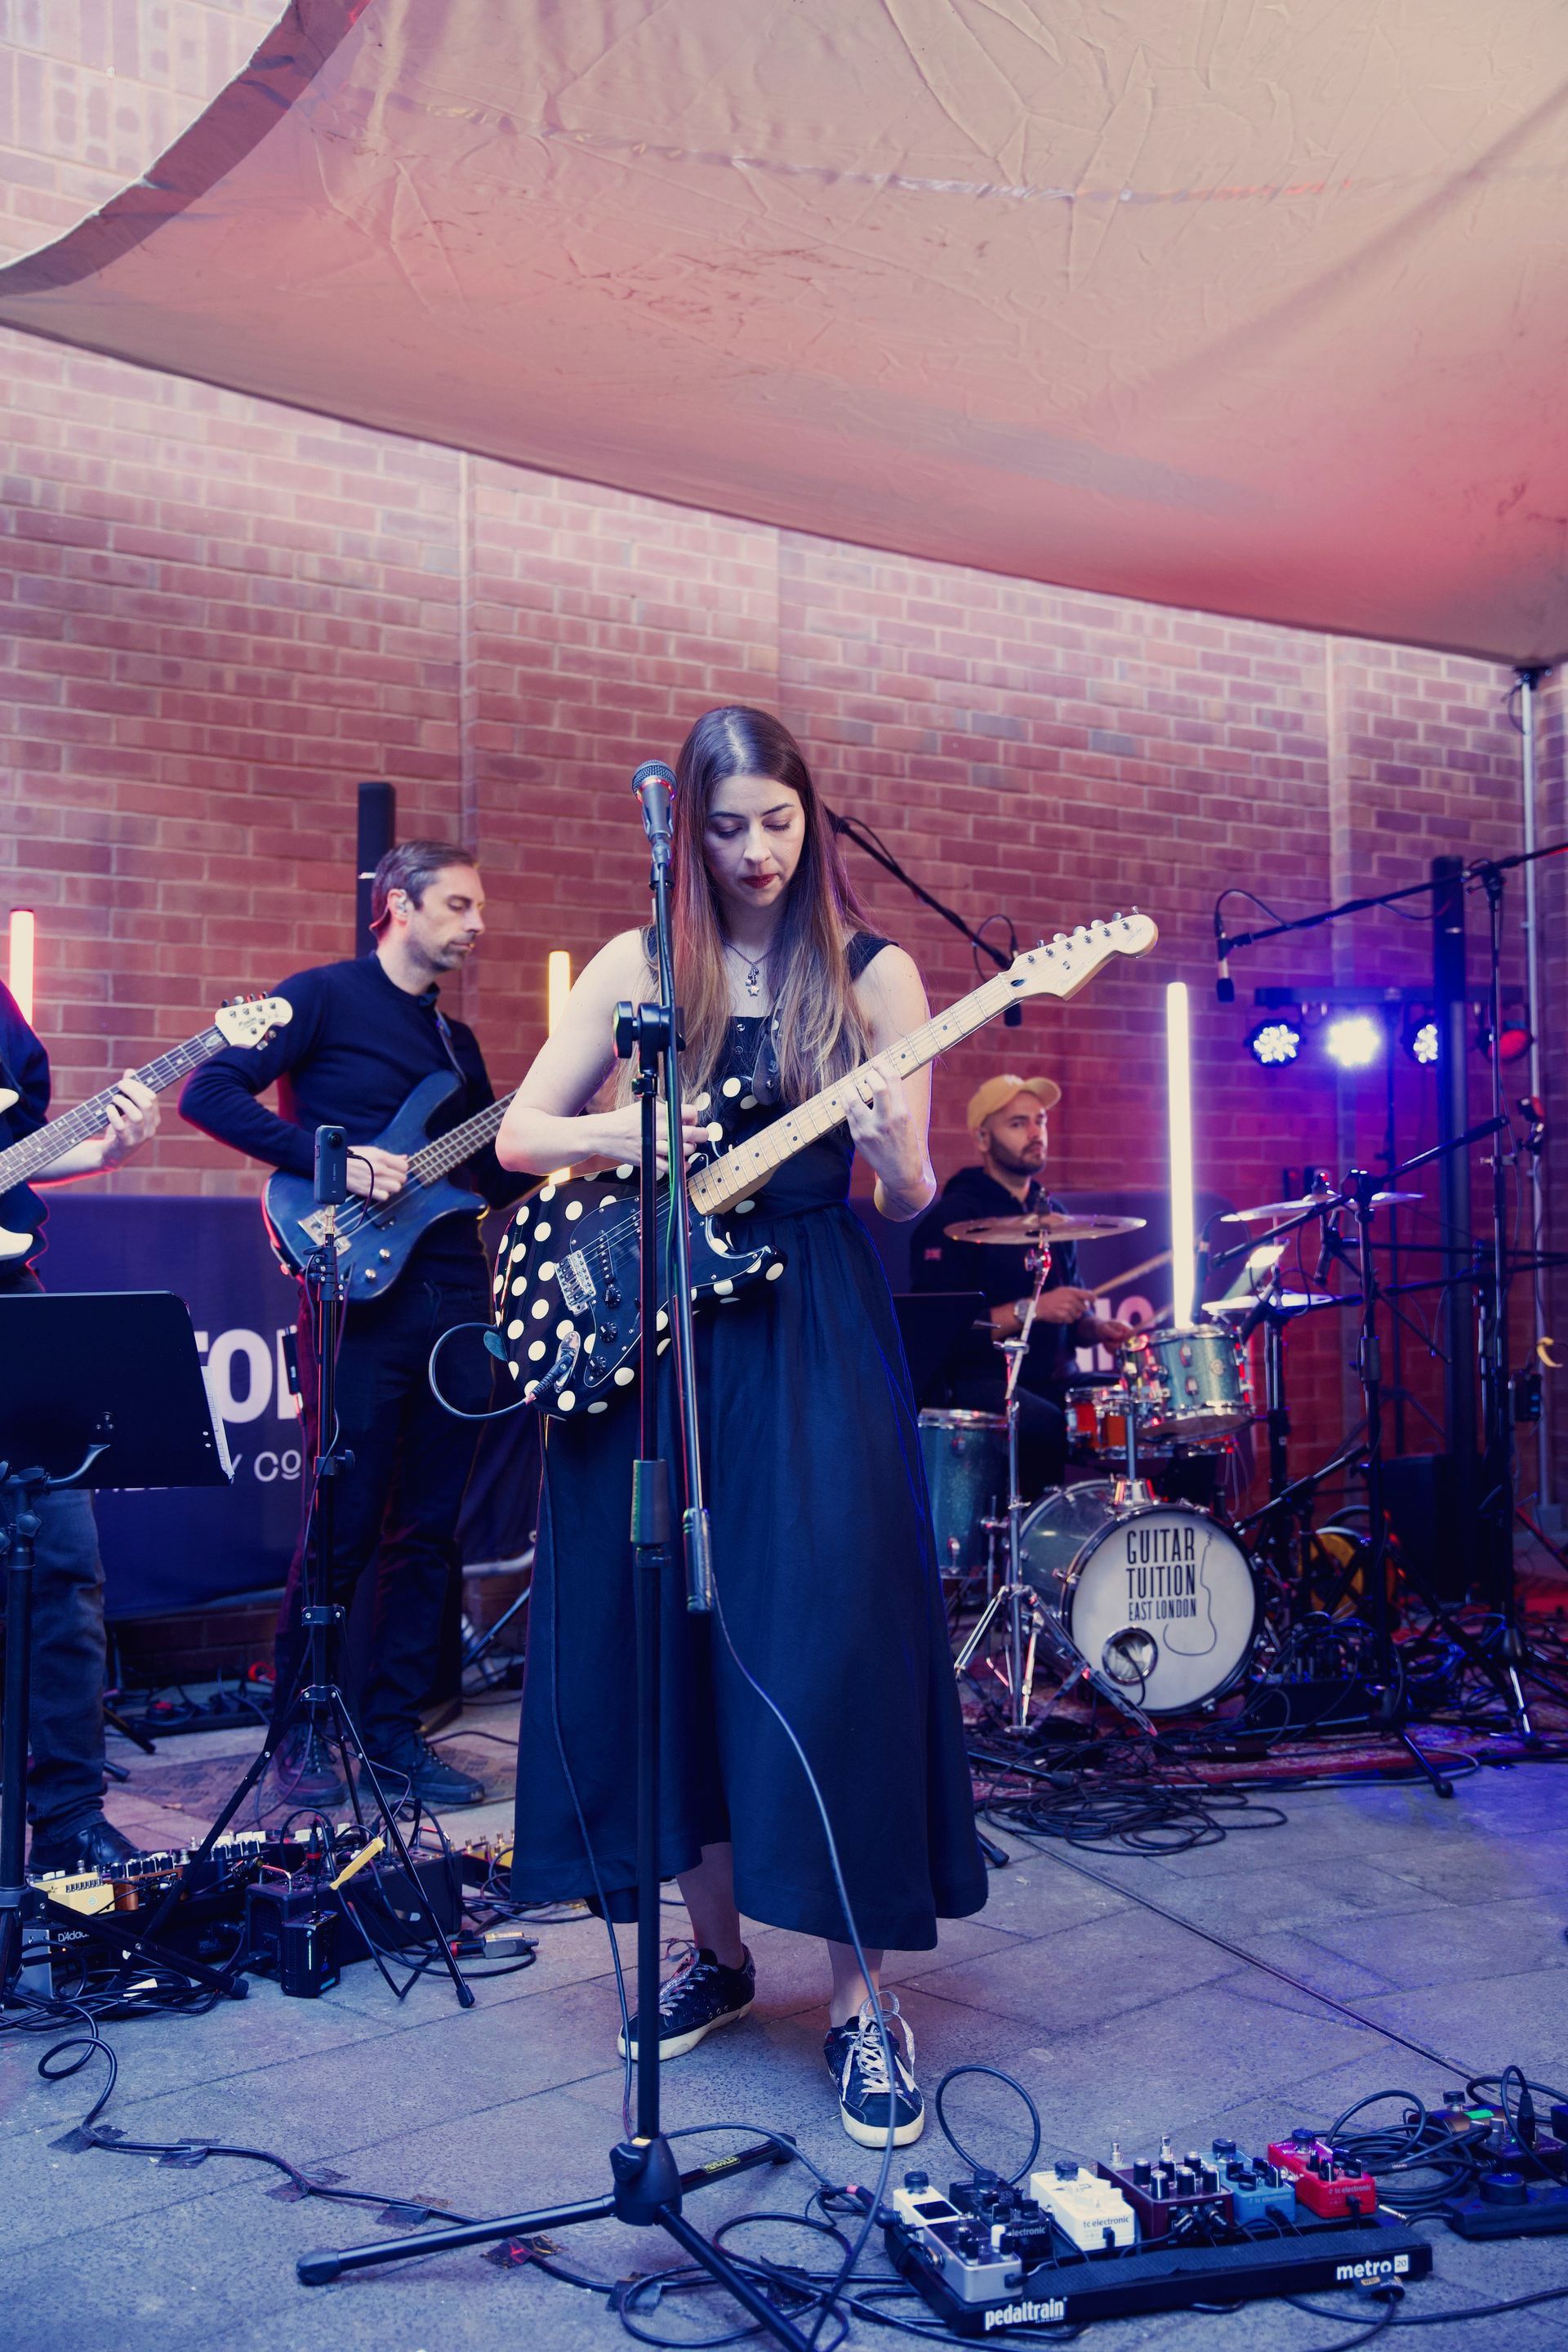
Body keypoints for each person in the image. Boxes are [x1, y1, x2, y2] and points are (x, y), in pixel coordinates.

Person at [497, 706, 987, 2149]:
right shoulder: (640, 963)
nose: (757, 850)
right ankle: (713, 1956)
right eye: (729, 825)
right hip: (660, 1327)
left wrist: (897, 1141)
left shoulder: (878, 975)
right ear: (688, 831)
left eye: (779, 821)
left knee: (837, 1637)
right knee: (666, 1640)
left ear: (812, 818)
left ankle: (859, 2007)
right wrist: (632, 1136)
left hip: (815, 1319)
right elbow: (525, 1131)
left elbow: (901, 1193)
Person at [180, 842, 520, 1811]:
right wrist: (337, 1164)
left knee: (430, 1531)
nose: (477, 923)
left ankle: (395, 1733)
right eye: (459, 903)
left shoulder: (457, 1044)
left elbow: (491, 1175)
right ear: (397, 906)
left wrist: (585, 1129)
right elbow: (207, 1092)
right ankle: (303, 1728)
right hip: (356, 1291)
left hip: (457, 1295)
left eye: (479, 905)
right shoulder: (321, 995)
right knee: (343, 1519)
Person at [0, 982, 160, 1873]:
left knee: (63, 1566)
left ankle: (68, 1818)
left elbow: (18, 1152)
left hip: (14, 1307)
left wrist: (105, 1146)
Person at [910, 1076, 1133, 1494]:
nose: (1035, 1133)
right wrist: (1032, 1310)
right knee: (1041, 1421)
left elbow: (1073, 1321)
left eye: (1040, 1121)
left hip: (1053, 1379)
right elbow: (942, 1335)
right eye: (1018, 1124)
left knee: (1141, 1411)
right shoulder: (953, 1220)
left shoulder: (1053, 1213)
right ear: (982, 1137)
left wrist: (1096, 1329)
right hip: (980, 1383)